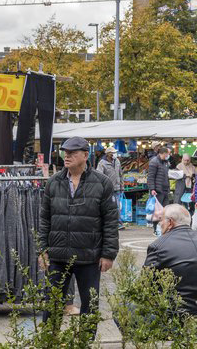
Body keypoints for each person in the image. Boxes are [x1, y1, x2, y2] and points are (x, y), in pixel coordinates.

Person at [39, 137, 119, 322]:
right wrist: (42, 250)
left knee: (89, 304)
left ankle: (85, 341)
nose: (67, 156)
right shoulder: (53, 182)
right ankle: (49, 341)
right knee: (52, 304)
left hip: (89, 256)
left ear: (85, 155)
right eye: (65, 153)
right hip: (57, 256)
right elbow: (44, 219)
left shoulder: (102, 183)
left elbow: (110, 221)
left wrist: (108, 254)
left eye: (72, 153)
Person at [143, 204, 197, 324]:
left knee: (122, 308)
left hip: (175, 317)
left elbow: (145, 284)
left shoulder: (158, 245)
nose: (159, 224)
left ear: (170, 222)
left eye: (161, 220)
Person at [147, 146, 172, 232]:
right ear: (163, 154)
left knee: (165, 210)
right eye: (167, 154)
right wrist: (152, 189)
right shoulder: (154, 162)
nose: (167, 156)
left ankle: (163, 228)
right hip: (158, 190)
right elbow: (150, 176)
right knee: (157, 211)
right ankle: (155, 229)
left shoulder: (165, 162)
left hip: (165, 189)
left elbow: (166, 176)